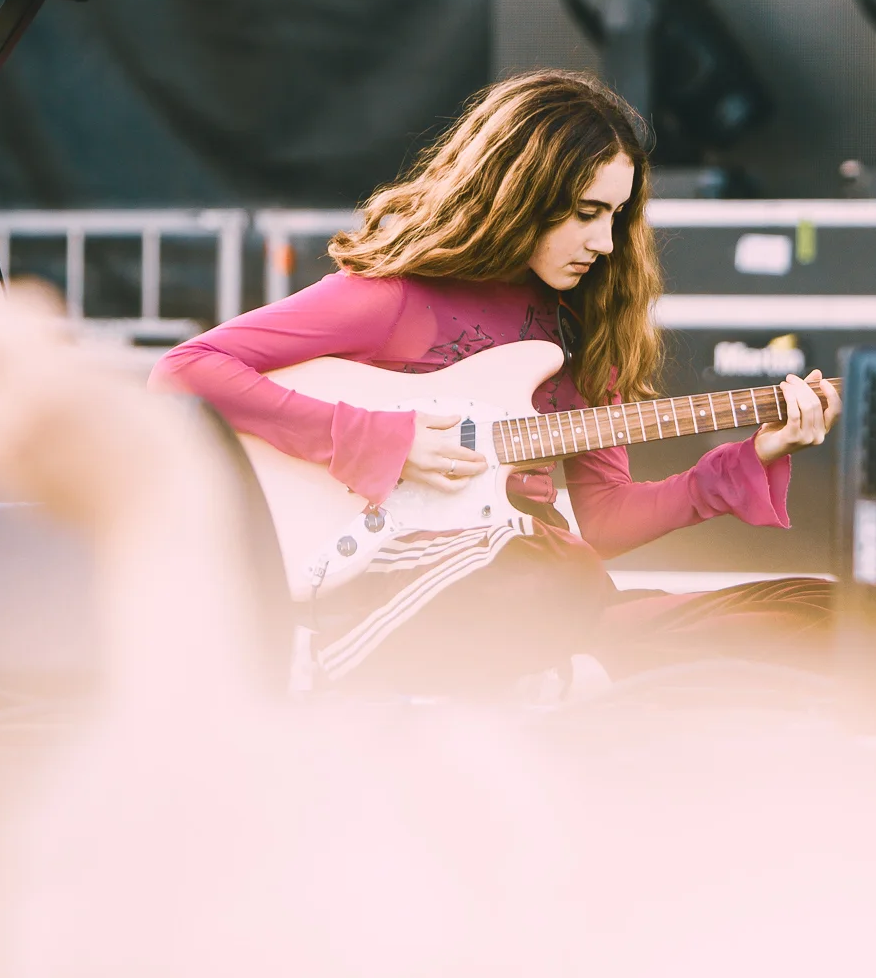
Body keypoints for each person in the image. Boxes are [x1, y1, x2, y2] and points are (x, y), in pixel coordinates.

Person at [151, 69, 839, 693]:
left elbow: (602, 520)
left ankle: (569, 682)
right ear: (520, 192)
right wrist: (374, 437)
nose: (605, 242)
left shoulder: (585, 329)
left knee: (833, 615)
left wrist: (748, 461)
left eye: (617, 215)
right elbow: (184, 370)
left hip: (551, 597)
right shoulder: (396, 298)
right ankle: (334, 667)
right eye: (585, 212)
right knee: (549, 575)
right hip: (437, 590)